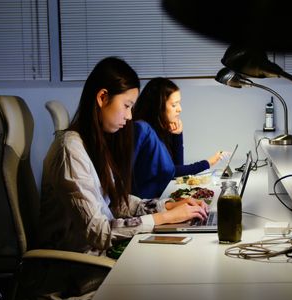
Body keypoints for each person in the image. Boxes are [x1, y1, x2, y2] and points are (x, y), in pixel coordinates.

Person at [39, 57, 208, 257]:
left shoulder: (94, 143)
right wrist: (163, 218)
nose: (129, 116)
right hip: (80, 267)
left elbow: (115, 203)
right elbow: (98, 232)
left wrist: (168, 206)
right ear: (103, 98)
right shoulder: (70, 150)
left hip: (102, 254)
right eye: (127, 106)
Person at [131, 77, 228, 198]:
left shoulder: (159, 130)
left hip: (158, 199)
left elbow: (175, 170)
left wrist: (177, 136)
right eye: (174, 105)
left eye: (179, 103)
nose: (180, 109)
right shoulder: (142, 129)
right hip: (144, 205)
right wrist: (208, 163)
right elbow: (174, 171)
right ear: (158, 106)